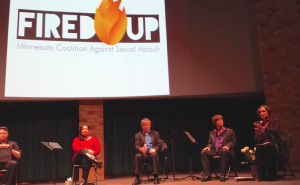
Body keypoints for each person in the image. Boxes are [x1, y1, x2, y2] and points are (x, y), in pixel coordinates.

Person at [200, 115, 236, 182]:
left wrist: (228, 146)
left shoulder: (229, 131)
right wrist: (208, 147)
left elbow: (233, 142)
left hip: (225, 150)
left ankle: (223, 174)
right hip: (215, 150)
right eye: (218, 120)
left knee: (224, 150)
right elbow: (210, 142)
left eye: (221, 119)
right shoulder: (211, 133)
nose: (221, 121)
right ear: (215, 123)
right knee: (203, 152)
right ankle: (207, 175)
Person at [253, 105, 279, 181]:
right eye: (260, 112)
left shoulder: (274, 121)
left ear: (268, 112)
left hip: (273, 144)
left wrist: (264, 129)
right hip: (262, 145)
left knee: (267, 146)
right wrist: (259, 132)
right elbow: (257, 139)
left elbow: (276, 131)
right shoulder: (258, 123)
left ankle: (271, 175)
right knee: (259, 147)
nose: (262, 113)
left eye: (263, 111)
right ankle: (262, 175)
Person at [132, 118, 162, 185]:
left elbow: (159, 144)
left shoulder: (155, 134)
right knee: (137, 156)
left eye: (148, 125)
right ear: (142, 126)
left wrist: (155, 149)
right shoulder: (138, 135)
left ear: (150, 126)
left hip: (151, 154)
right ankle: (137, 178)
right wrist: (140, 149)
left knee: (154, 155)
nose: (146, 127)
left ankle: (156, 177)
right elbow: (136, 146)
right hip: (143, 154)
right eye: (145, 125)